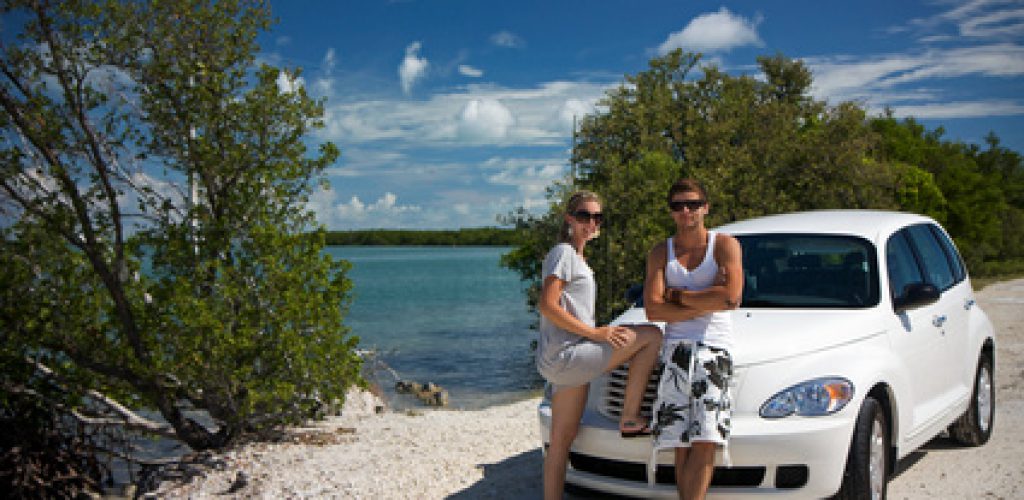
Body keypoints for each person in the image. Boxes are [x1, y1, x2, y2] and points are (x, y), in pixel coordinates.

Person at [537, 190, 662, 500]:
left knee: (561, 441)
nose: (591, 222)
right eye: (584, 216)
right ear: (569, 219)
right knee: (651, 336)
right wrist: (597, 334)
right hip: (569, 355)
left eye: (597, 217)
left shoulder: (578, 258)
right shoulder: (563, 253)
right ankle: (631, 416)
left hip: (564, 360)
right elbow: (548, 306)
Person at [643, 178, 743, 500]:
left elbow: (731, 298)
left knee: (706, 437)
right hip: (675, 350)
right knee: (678, 438)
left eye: (693, 204)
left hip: (714, 349)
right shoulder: (662, 251)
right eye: (678, 205)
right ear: (671, 211)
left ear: (706, 208)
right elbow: (652, 309)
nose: (686, 211)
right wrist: (704, 297)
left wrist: (676, 296)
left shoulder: (724, 245)